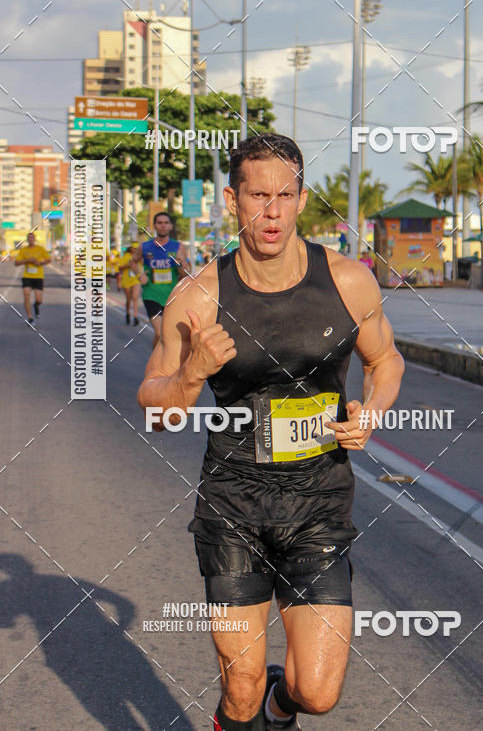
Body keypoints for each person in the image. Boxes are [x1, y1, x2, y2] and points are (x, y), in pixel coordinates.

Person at [138, 133, 404, 731]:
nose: (272, 211)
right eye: (259, 195)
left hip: (319, 502)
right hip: (233, 503)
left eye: (284, 195)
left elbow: (386, 361)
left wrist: (373, 410)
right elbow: (156, 407)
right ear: (233, 200)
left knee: (316, 693)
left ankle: (282, 709)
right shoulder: (199, 296)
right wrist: (192, 374)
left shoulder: (348, 281)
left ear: (302, 199)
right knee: (241, 689)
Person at [131, 213, 189, 348]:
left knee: (168, 334)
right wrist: (140, 275)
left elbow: (185, 274)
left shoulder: (178, 247)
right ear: (155, 226)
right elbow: (132, 262)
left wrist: (180, 264)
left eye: (166, 222)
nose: (163, 225)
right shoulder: (144, 247)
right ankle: (156, 364)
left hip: (172, 296)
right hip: (151, 295)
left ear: (170, 226)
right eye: (159, 222)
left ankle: (158, 361)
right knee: (160, 332)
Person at [14, 232, 51, 328]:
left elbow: (49, 259)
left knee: (39, 299)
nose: (30, 239)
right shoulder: (23, 250)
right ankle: (30, 318)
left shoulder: (40, 249)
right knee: (26, 295)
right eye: (29, 238)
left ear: (34, 239)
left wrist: (40, 263)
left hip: (38, 277)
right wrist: (28, 260)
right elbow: (16, 263)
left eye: (32, 238)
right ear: (27, 239)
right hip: (27, 276)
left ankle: (36, 305)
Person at [117, 244, 142, 325]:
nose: (135, 249)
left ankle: (135, 317)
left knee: (135, 298)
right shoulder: (125, 257)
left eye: (136, 248)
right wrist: (128, 265)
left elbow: (143, 265)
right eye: (134, 248)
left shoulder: (139, 256)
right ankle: (128, 313)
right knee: (128, 299)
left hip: (136, 279)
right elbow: (119, 268)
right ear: (130, 248)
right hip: (126, 280)